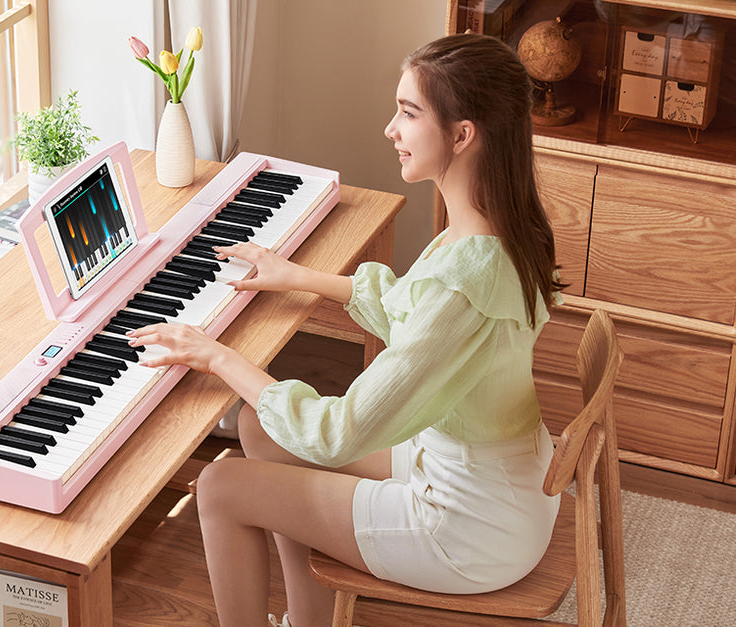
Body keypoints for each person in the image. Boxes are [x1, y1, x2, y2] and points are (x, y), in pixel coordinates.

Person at [127, 32, 566, 627]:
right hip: (485, 476)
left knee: (220, 486)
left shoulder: (466, 278)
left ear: (462, 136)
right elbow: (415, 314)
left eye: (409, 113)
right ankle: (308, 621)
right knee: (261, 426)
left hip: (468, 526)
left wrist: (217, 357)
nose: (390, 128)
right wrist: (297, 276)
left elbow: (337, 433)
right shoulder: (492, 233)